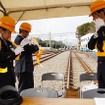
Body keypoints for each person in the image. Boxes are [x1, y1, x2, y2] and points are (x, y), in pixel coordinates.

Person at [14, 22, 39, 93]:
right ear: (23, 31)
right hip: (23, 68)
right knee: (24, 89)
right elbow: (31, 48)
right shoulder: (21, 39)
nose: (28, 34)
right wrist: (36, 45)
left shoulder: (19, 39)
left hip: (24, 68)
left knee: (28, 88)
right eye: (28, 32)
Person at [0, 16, 23, 88]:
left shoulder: (7, 42)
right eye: (9, 32)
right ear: (1, 30)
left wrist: (18, 51)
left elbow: (11, 56)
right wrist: (14, 52)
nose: (10, 35)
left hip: (9, 77)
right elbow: (2, 57)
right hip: (2, 80)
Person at [88, 0, 105, 88]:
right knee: (101, 91)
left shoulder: (102, 30)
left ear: (101, 14)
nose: (93, 19)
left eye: (94, 16)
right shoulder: (98, 32)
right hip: (101, 63)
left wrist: (102, 28)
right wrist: (96, 33)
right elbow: (90, 46)